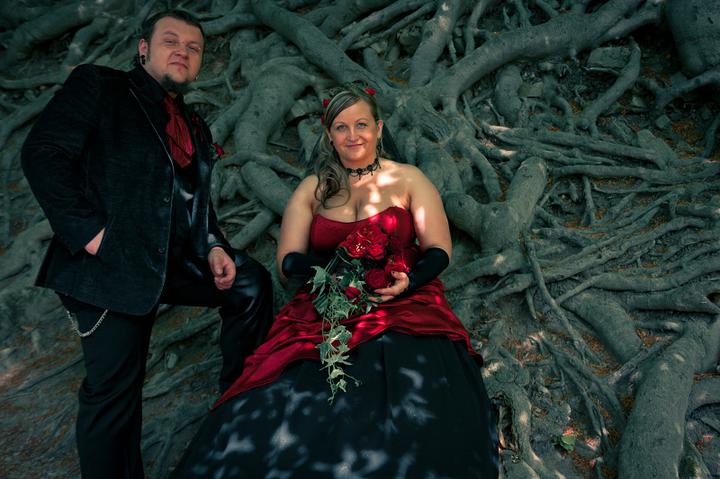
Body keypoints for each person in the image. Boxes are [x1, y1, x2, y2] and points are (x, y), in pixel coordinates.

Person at [171, 86, 499, 478]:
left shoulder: (409, 178)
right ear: (329, 135)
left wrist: (407, 282)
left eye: (361, 124)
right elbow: (288, 261)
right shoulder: (313, 189)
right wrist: (334, 276)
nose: (352, 134)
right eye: (341, 127)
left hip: (401, 299)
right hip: (325, 304)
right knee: (290, 401)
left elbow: (439, 249)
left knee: (414, 398)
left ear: (378, 128)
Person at [20, 10, 273, 479]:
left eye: (193, 48)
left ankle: (238, 410)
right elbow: (43, 153)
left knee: (249, 284)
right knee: (115, 395)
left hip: (171, 259)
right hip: (109, 263)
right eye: (170, 41)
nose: (182, 52)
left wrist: (215, 244)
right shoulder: (101, 86)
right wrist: (92, 236)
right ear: (143, 49)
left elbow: (195, 202)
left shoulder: (195, 125)